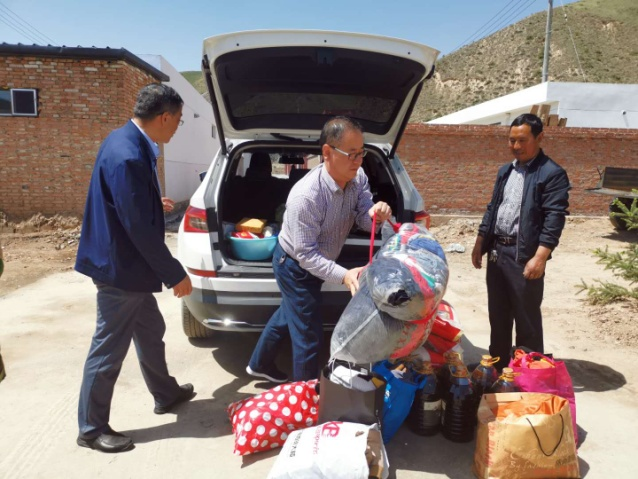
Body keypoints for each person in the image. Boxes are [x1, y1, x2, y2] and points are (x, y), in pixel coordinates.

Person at [75, 84, 194, 453]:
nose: (177, 128)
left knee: (151, 330)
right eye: (178, 120)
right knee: (108, 349)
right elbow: (137, 227)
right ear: (164, 117)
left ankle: (165, 393)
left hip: (128, 266)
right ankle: (91, 429)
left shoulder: (123, 140)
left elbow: (127, 202)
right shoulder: (128, 154)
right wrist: (174, 273)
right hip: (120, 269)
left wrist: (153, 202)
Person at [246, 117, 392, 383]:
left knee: (288, 314)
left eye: (362, 153)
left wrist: (375, 214)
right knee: (308, 336)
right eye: (351, 154)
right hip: (294, 266)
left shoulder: (358, 177)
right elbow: (306, 256)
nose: (358, 161)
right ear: (327, 152)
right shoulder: (306, 196)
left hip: (316, 261)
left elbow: (363, 217)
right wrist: (345, 275)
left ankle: (259, 364)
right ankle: (307, 395)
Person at [471, 113, 570, 371]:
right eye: (511, 140)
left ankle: (528, 375)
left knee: (527, 321)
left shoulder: (551, 173)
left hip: (524, 256)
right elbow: (493, 208)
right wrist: (480, 242)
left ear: (539, 137)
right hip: (498, 253)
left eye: (522, 140)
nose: (516, 146)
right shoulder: (506, 171)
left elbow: (554, 218)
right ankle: (498, 370)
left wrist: (540, 257)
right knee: (498, 317)